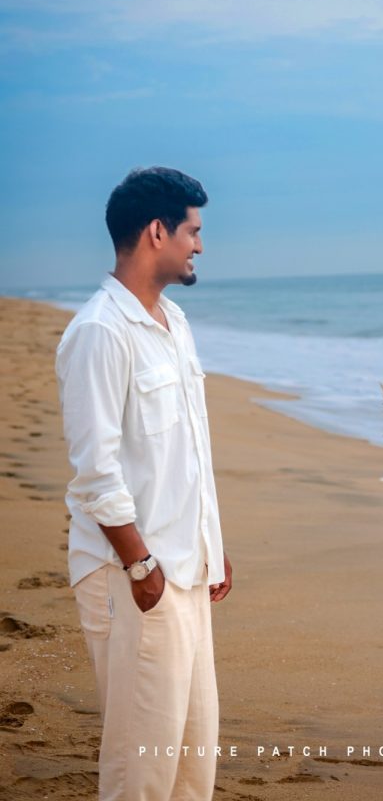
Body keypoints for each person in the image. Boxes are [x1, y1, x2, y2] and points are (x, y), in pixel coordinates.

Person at [55, 166, 233, 801]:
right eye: (193, 231)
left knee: (191, 759)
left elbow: (187, 449)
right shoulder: (99, 332)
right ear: (157, 231)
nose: (200, 246)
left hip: (186, 567)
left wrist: (212, 544)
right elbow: (96, 472)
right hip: (134, 577)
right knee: (141, 769)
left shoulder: (174, 324)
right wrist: (140, 568)